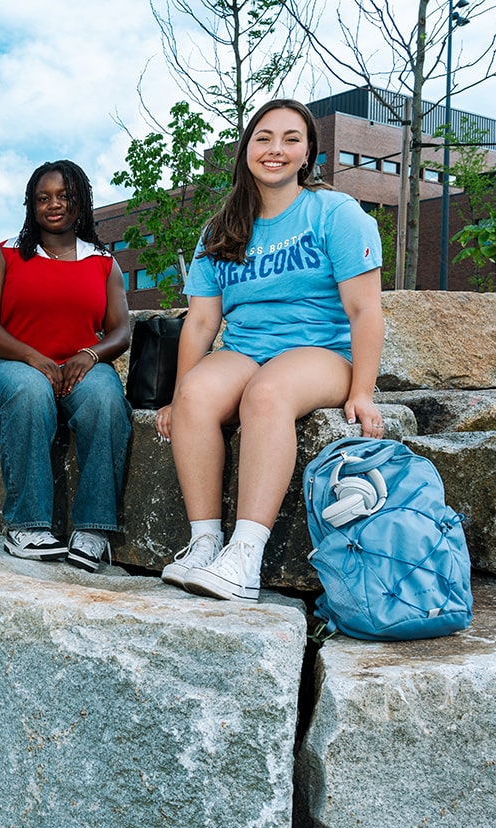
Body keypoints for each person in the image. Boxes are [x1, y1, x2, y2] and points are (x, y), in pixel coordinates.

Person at [157, 98, 384, 601]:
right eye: (263, 138)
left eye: (290, 139)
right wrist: (175, 396)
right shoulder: (221, 229)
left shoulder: (336, 213)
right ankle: (204, 543)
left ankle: (245, 556)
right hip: (245, 349)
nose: (275, 149)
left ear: (308, 154)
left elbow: (365, 310)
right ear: (246, 151)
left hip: (320, 353)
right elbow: (200, 321)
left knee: (266, 393)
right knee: (196, 395)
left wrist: (364, 391)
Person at [0, 159, 132, 572]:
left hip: (81, 367)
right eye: (43, 198)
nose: (54, 205)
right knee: (30, 390)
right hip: (12, 365)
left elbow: (120, 331)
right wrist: (32, 357)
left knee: (105, 397)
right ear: (31, 206)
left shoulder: (103, 261)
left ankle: (93, 530)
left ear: (81, 200)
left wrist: (91, 354)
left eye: (64, 196)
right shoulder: (5, 255)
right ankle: (27, 527)